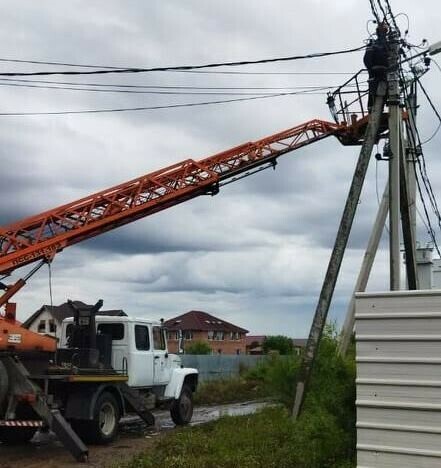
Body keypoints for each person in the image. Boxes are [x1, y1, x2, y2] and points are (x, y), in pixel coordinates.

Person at [364, 21, 389, 110]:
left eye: (384, 31)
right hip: (375, 73)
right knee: (373, 92)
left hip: (385, 73)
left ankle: (382, 106)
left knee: (385, 92)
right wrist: (371, 70)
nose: (382, 33)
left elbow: (393, 60)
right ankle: (372, 108)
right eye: (381, 31)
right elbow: (367, 60)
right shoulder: (372, 44)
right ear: (378, 32)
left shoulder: (389, 45)